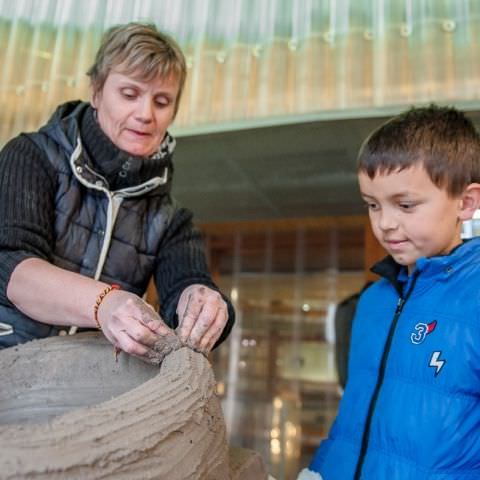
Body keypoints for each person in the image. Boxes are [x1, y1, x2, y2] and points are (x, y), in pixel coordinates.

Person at [0, 22, 234, 362]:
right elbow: (10, 266)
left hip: (90, 388)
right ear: (96, 91)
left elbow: (186, 283)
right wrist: (104, 303)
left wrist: (203, 302)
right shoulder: (31, 156)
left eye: (162, 101)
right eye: (129, 94)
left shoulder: (170, 220)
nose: (145, 114)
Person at [299, 105, 480, 479]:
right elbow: (353, 419)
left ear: (465, 202)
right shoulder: (371, 303)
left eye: (406, 205)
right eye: (372, 205)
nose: (385, 223)